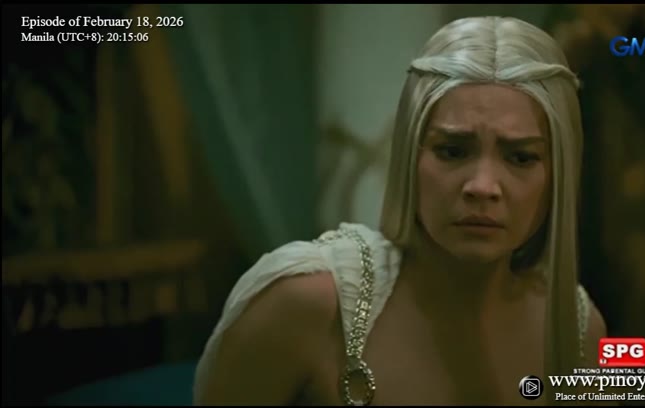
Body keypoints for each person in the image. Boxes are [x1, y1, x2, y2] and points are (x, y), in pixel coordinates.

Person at [193, 16, 607, 406]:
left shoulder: (577, 329)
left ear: (559, 173)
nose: (482, 186)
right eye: (452, 151)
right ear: (410, 156)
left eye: (520, 157)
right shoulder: (307, 305)